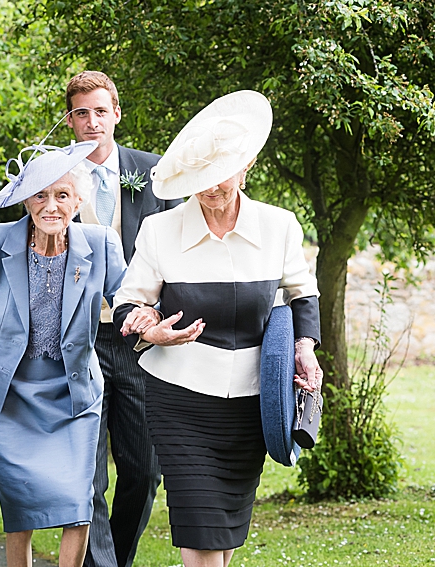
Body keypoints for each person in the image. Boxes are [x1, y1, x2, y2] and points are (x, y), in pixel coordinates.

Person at [112, 90, 323, 567]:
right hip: (178, 397)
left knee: (223, 531)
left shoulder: (280, 226)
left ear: (245, 166)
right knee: (200, 526)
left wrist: (305, 348)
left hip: (253, 402)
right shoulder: (160, 230)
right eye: (199, 179)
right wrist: (149, 329)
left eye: (219, 176)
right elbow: (129, 302)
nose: (209, 188)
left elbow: (302, 293)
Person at [0, 140, 126, 567]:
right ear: (26, 199)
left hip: (74, 396)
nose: (51, 206)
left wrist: (148, 322)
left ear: (79, 199)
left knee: (76, 501)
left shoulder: (101, 244)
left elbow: (129, 302)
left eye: (62, 195)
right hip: (12, 395)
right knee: (19, 507)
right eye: (41, 195)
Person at [64, 70, 181, 567]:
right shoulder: (52, 176)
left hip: (139, 341)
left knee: (143, 470)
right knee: (88, 475)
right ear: (70, 120)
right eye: (82, 113)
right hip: (78, 337)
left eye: (101, 111)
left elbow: (177, 252)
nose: (93, 122)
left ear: (117, 113)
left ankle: (120, 559)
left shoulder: (155, 173)